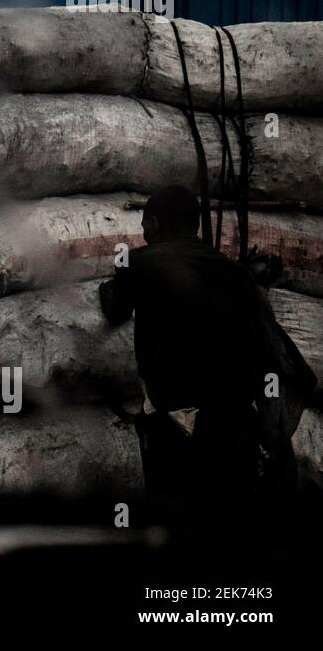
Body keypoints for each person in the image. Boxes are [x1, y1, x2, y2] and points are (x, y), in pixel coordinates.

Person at [98, 185, 263, 529]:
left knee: (177, 528)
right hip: (237, 424)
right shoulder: (236, 272)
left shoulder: (141, 262)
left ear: (155, 224)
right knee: (232, 528)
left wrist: (109, 284)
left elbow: (114, 310)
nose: (143, 232)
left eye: (145, 224)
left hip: (178, 426)